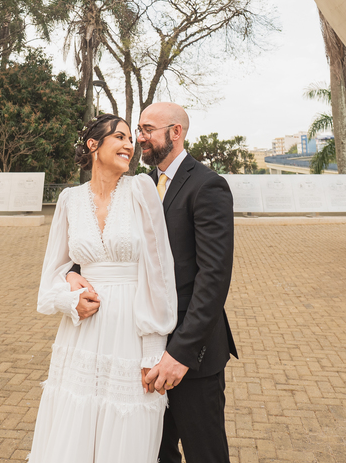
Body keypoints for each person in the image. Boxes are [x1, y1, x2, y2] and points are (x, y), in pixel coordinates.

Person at [69, 102, 237, 463]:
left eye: (147, 130)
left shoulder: (207, 185)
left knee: (205, 453)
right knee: (154, 454)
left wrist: (180, 354)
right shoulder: (133, 188)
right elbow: (102, 244)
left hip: (189, 353)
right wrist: (72, 273)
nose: (139, 139)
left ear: (175, 132)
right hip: (138, 350)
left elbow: (213, 278)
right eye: (137, 131)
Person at [29, 114, 177, 463]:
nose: (130, 145)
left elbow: (159, 271)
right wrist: (70, 296)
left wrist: (153, 350)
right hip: (81, 333)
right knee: (74, 423)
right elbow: (52, 274)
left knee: (126, 424)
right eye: (120, 137)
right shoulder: (69, 199)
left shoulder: (141, 190)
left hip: (130, 330)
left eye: (131, 139)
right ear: (93, 145)